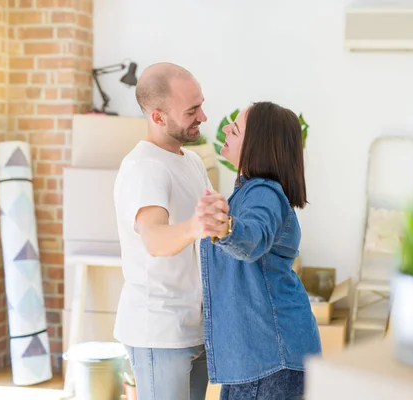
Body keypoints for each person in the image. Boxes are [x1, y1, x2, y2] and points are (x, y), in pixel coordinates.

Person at [196, 101, 322, 399]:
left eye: (235, 129)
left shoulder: (262, 192)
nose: (225, 128)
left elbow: (253, 236)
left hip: (269, 358)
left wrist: (224, 228)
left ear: (256, 145)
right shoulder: (250, 192)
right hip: (263, 357)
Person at [113, 62, 223, 400]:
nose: (203, 117)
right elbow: (155, 240)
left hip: (193, 325)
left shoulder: (188, 161)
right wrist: (198, 225)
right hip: (159, 330)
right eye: (192, 110)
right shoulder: (146, 168)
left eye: (201, 105)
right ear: (158, 118)